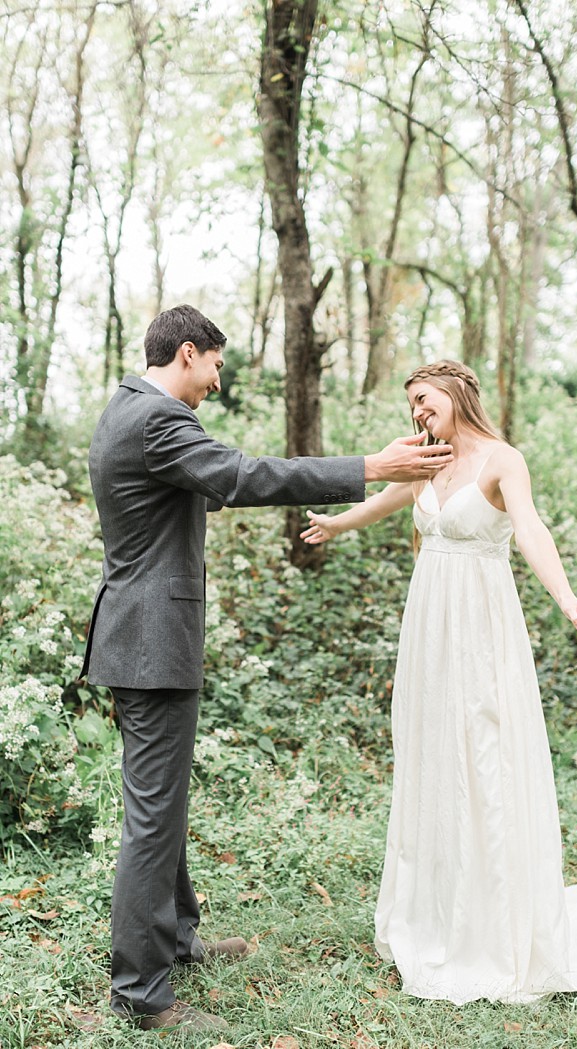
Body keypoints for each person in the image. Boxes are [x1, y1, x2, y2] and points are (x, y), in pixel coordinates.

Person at [80, 305, 454, 1033]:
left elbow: (216, 481)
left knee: (163, 807)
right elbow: (243, 476)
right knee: (152, 818)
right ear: (187, 353)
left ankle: (178, 938)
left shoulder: (127, 409)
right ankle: (139, 993)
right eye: (217, 364)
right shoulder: (157, 421)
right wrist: (372, 467)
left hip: (141, 635)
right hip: (151, 642)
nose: (219, 381)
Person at [301, 359, 577, 1004]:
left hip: (481, 631)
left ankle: (491, 921)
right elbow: (391, 498)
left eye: (425, 401)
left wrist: (568, 599)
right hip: (429, 628)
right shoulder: (429, 460)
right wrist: (339, 523)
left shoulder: (501, 461)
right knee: (434, 755)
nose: (417, 413)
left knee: (482, 757)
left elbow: (531, 529)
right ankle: (435, 910)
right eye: (412, 405)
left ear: (457, 395)